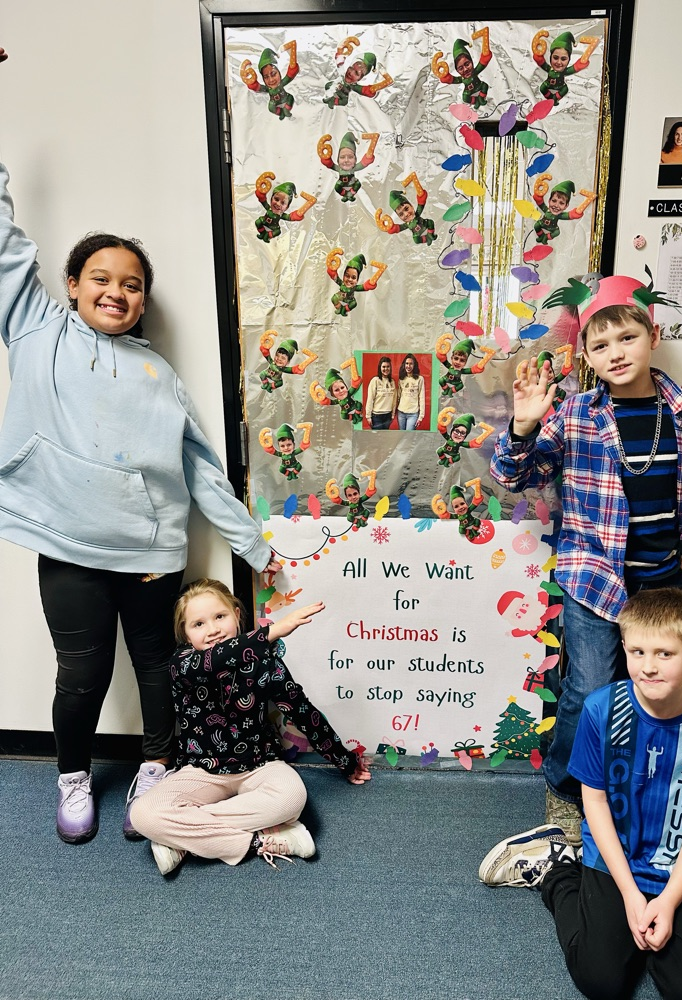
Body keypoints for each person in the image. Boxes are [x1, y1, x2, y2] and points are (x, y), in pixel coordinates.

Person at [0, 47, 279, 846]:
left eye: (132, 284)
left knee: (160, 669)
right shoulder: (35, 329)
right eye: (101, 278)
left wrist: (252, 546)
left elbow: (197, 465)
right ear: (71, 286)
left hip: (152, 551)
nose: (116, 291)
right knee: (81, 673)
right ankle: (74, 776)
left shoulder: (159, 372)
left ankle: (157, 768)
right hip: (68, 542)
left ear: (143, 299)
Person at [490, 273, 682, 845]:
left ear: (653, 335)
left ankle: (629, 787)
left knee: (654, 687)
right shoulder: (574, 415)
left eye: (626, 338)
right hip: (594, 582)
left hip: (664, 586)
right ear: (586, 356)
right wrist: (522, 426)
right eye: (600, 346)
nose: (615, 354)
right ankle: (566, 788)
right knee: (590, 689)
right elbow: (513, 478)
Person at [479, 588, 682, 1000]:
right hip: (611, 856)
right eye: (636, 652)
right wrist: (632, 896)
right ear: (623, 649)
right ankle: (557, 871)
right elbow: (594, 802)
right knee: (602, 983)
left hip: (676, 869)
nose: (648, 667)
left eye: (664, 654)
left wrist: (667, 902)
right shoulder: (601, 709)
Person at [130, 579, 371, 875]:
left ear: (236, 614)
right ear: (185, 634)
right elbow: (215, 660)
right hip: (201, 770)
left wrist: (345, 761)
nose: (213, 629)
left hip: (259, 765)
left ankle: (181, 837)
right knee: (142, 815)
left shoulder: (263, 660)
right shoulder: (182, 663)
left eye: (220, 617)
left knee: (293, 797)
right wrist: (271, 632)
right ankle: (261, 840)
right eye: (198, 624)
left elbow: (302, 710)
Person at [365, 356, 397, 429]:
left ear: (390, 368)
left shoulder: (392, 382)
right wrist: (368, 416)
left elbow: (394, 400)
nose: (386, 369)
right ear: (380, 368)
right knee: (377, 438)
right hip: (377, 416)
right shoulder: (375, 380)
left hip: (388, 416)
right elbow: (370, 399)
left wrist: (393, 414)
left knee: (385, 437)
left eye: (388, 366)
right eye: (384, 367)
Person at [395, 353, 425, 430]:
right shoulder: (401, 379)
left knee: (409, 436)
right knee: (402, 436)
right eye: (407, 363)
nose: (408, 366)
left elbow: (421, 398)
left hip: (413, 414)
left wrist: (421, 416)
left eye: (411, 364)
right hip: (401, 413)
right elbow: (398, 396)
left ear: (414, 365)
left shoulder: (419, 379)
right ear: (404, 365)